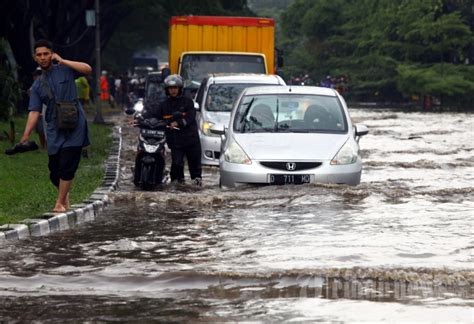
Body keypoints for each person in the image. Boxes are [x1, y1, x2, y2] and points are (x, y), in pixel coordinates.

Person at [20, 39, 92, 213]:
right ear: (35, 58)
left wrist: (63, 60)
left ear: (51, 54)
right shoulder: (37, 85)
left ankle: (59, 203)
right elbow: (34, 111)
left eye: (46, 54)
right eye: (39, 55)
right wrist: (26, 134)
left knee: (68, 164)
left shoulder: (66, 70)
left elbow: (87, 69)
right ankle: (65, 197)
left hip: (75, 125)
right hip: (54, 128)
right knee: (54, 171)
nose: (43, 57)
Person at [142, 74, 202, 186]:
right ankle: (178, 188)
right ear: (167, 90)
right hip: (175, 142)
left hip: (191, 140)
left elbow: (190, 117)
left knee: (195, 168)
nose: (173, 91)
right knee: (176, 166)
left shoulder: (188, 102)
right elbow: (153, 114)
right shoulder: (164, 105)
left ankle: (196, 185)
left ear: (180, 89)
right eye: (170, 88)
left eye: (175, 88)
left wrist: (178, 122)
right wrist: (140, 117)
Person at [29, 67, 47, 149]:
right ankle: (43, 145)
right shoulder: (35, 85)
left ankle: (47, 145)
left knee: (47, 128)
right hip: (38, 110)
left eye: (40, 74)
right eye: (37, 74)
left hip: (46, 109)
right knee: (40, 129)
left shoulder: (46, 83)